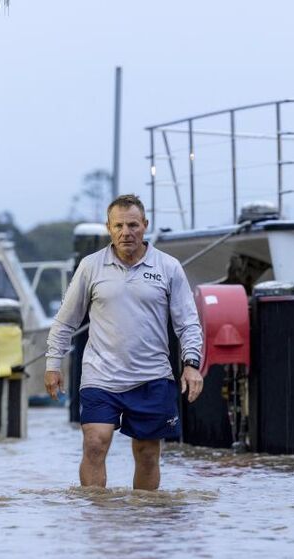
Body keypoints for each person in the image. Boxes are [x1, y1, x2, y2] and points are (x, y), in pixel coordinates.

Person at [45, 194, 204, 491]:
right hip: (100, 375)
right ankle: (97, 518)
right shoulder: (91, 267)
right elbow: (65, 321)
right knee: (94, 443)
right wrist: (53, 364)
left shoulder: (168, 268)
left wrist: (192, 364)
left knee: (146, 455)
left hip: (152, 376)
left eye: (132, 225)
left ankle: (142, 521)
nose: (125, 232)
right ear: (109, 228)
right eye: (118, 225)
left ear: (145, 225)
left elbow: (188, 322)